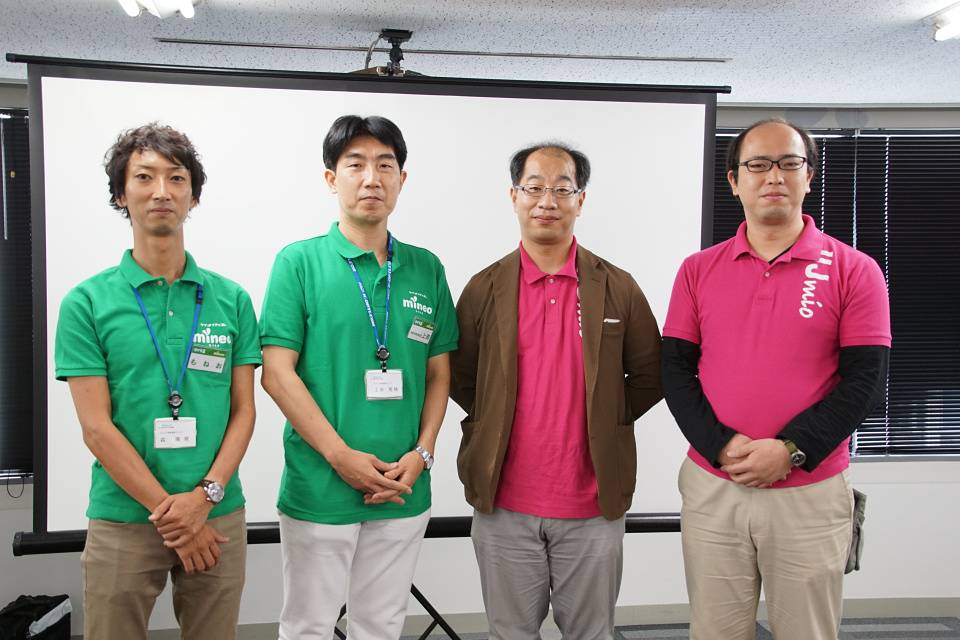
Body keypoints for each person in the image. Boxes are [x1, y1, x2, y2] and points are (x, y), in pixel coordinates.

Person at [661, 118, 891, 640]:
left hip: (810, 491)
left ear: (809, 176)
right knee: (714, 632)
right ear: (734, 180)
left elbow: (865, 383)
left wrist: (789, 450)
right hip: (715, 485)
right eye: (758, 164)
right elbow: (674, 369)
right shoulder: (697, 270)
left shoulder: (854, 269)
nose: (774, 176)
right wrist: (721, 446)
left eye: (790, 163)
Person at [54, 123, 260, 640]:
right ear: (120, 195)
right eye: (144, 177)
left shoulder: (231, 299)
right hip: (124, 516)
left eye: (177, 178)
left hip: (216, 512)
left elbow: (244, 411)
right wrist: (173, 514)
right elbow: (96, 427)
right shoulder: (86, 303)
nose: (162, 191)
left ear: (193, 195)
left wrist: (203, 499)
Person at [450, 142, 663, 640]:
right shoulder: (483, 287)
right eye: (534, 188)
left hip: (592, 503)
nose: (547, 200)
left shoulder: (618, 287)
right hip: (504, 502)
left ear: (580, 200)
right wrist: (496, 416)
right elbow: (461, 377)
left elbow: (650, 376)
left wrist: (604, 415)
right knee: (510, 633)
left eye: (562, 189)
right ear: (514, 197)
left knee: (591, 633)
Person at [259, 115, 458, 640]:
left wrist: (423, 453)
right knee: (309, 626)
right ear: (332, 179)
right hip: (321, 486)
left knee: (382, 624)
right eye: (356, 165)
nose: (372, 178)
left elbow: (439, 374)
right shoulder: (298, 263)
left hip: (402, 484)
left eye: (385, 166)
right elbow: (276, 375)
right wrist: (340, 457)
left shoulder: (426, 268)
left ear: (401, 179)